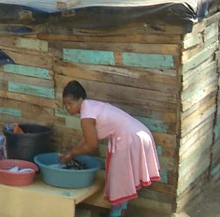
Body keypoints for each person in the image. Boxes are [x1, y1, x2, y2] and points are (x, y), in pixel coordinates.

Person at [60, 80, 161, 217]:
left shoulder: (86, 116)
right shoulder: (91, 107)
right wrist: (71, 151)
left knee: (118, 183)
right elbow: (87, 137)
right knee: (124, 180)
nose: (68, 108)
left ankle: (116, 214)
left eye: (70, 104)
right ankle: (121, 212)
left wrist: (72, 154)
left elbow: (91, 145)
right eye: (65, 105)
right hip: (139, 133)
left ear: (80, 100)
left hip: (129, 139)